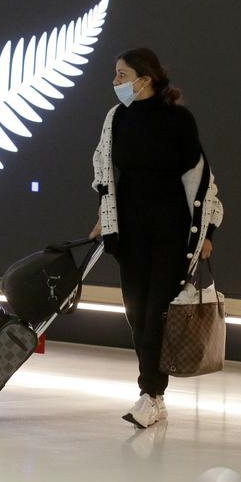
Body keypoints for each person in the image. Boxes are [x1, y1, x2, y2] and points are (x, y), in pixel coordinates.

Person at [90, 48, 223, 429]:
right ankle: (155, 395)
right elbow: (106, 175)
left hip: (170, 230)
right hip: (130, 230)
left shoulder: (179, 121)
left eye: (121, 75)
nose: (115, 82)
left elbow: (201, 180)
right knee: (136, 313)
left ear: (144, 79)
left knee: (155, 313)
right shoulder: (116, 118)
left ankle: (150, 394)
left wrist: (208, 231)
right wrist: (104, 217)